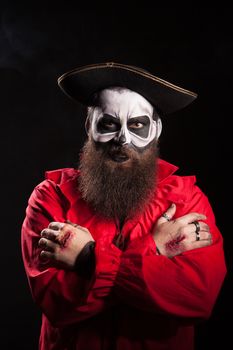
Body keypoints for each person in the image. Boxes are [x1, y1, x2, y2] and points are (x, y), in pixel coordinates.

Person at [21, 62, 226, 350]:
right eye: (109, 124)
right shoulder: (50, 197)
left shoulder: (186, 198)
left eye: (137, 125)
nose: (123, 139)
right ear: (89, 126)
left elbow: (197, 298)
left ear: (155, 129)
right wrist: (155, 249)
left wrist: (89, 258)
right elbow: (56, 301)